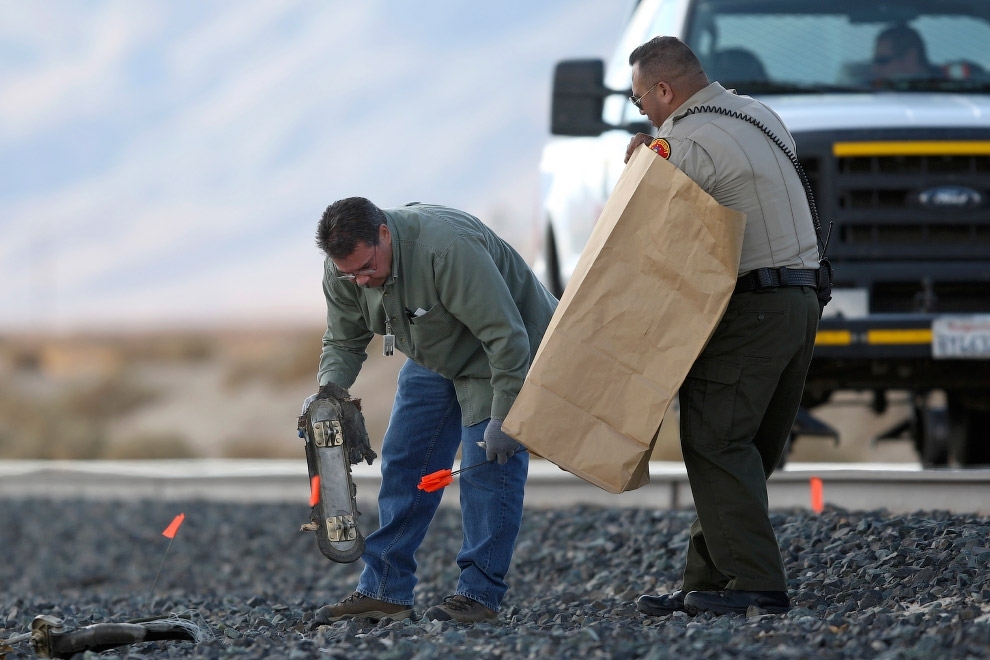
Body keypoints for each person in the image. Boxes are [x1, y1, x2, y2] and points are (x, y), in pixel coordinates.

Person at [623, 36, 821, 616]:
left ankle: (757, 582)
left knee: (713, 442)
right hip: (801, 301)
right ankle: (706, 583)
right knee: (742, 451)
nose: (644, 114)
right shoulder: (756, 113)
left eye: (641, 102)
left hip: (751, 309)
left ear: (665, 89)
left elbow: (642, 234)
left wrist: (638, 168)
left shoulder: (681, 141)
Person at [306, 197, 557, 623]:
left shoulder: (446, 249)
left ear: (384, 234)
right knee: (405, 462)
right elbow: (343, 341)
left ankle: (479, 596)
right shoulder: (345, 270)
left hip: (499, 356)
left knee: (488, 468)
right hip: (434, 354)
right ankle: (385, 591)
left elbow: (505, 334)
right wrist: (328, 394)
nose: (360, 281)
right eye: (350, 274)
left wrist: (506, 414)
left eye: (367, 268)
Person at [871, 24, 942, 81]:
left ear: (910, 58)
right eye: (874, 61)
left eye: (882, 61)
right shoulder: (866, 91)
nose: (875, 69)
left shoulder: (943, 94)